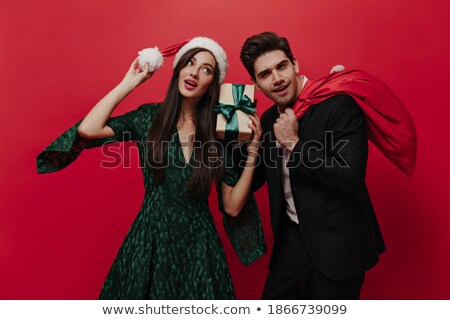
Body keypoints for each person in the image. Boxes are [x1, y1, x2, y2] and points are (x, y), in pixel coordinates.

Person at [37, 37, 266, 299]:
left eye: (206, 69)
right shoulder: (149, 117)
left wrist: (254, 148)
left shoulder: (218, 130)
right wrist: (130, 81)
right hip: (150, 237)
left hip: (199, 247)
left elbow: (233, 206)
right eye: (189, 63)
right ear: (178, 69)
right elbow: (89, 129)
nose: (194, 72)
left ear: (212, 85)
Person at [239, 32, 386, 299]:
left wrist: (295, 144)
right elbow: (256, 177)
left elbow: (350, 176)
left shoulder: (338, 104)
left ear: (294, 64)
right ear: (256, 84)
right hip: (291, 243)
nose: (278, 79)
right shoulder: (270, 118)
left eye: (281, 66)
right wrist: (230, 134)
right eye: (265, 74)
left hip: (337, 247)